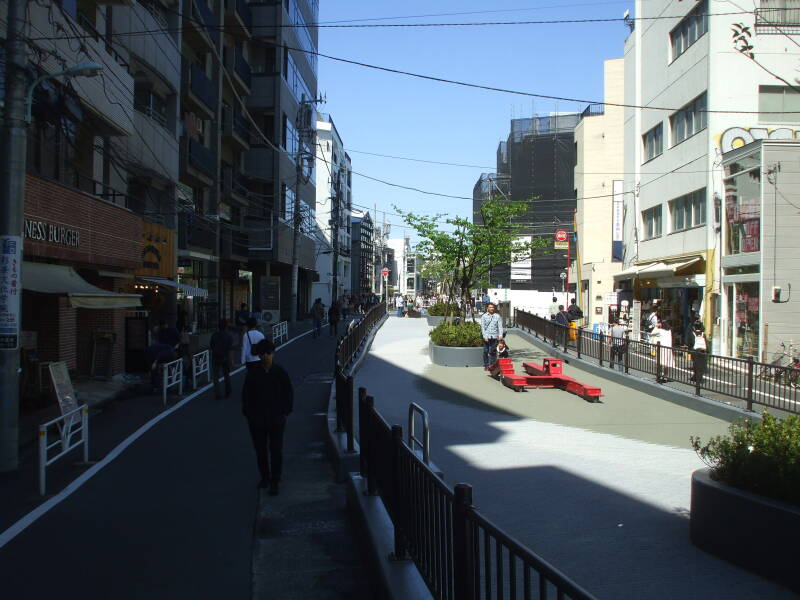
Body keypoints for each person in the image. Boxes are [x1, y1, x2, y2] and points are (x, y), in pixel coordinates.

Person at [241, 339, 293, 494]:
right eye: (263, 353)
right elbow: (246, 396)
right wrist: (249, 414)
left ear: (273, 353)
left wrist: (285, 412)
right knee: (260, 450)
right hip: (257, 420)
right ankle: (265, 477)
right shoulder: (253, 373)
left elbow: (288, 393)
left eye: (268, 353)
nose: (266, 356)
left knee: (276, 450)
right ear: (259, 355)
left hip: (276, 418)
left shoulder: (280, 371)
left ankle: (275, 480)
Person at [209, 319, 234, 398]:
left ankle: (218, 394)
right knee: (226, 375)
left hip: (215, 357)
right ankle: (228, 391)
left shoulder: (214, 335)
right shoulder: (229, 336)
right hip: (225, 357)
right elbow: (230, 348)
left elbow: (211, 345)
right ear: (226, 327)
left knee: (216, 376)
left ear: (218, 327)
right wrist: (231, 360)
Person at [480, 302, 504, 369]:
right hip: (486, 336)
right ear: (487, 308)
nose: (492, 308)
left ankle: (492, 365)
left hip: (494, 336)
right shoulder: (484, 316)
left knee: (493, 351)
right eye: (490, 307)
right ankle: (486, 365)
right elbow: (482, 327)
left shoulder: (497, 316)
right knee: (486, 351)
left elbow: (500, 326)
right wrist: (484, 336)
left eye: (493, 307)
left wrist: (500, 335)